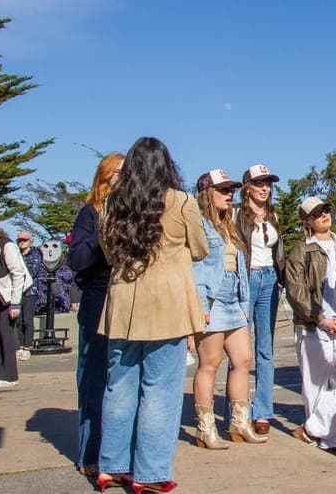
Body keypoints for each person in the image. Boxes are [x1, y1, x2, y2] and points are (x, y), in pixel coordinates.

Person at [96, 137, 208, 494]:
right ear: (167, 166)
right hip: (168, 304)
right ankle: (151, 472)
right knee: (160, 390)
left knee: (119, 386)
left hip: (124, 303)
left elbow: (110, 255)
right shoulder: (182, 201)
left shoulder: (114, 202)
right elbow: (201, 249)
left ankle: (112, 467)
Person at [191, 169, 267, 449]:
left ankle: (239, 422)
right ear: (206, 193)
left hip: (234, 297)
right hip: (212, 298)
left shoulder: (228, 224)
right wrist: (200, 304)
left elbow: (239, 267)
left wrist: (244, 302)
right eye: (222, 190)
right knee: (210, 363)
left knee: (244, 359)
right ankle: (205, 428)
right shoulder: (198, 224)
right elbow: (194, 266)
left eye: (230, 190)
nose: (228, 194)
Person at [284, 196, 336, 453]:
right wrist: (320, 319)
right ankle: (330, 439)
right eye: (317, 213)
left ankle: (312, 429)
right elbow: (295, 290)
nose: (324, 215)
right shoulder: (301, 250)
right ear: (307, 221)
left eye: (326, 210)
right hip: (312, 325)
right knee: (316, 386)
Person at [68, 151, 124, 477]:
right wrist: (102, 233)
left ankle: (117, 454)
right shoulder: (90, 212)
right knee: (93, 377)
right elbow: (76, 259)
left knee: (121, 378)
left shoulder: (132, 213)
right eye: (120, 172)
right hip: (98, 293)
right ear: (105, 177)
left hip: (126, 294)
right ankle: (90, 452)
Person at [233, 164, 285, 435]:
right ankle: (238, 411)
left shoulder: (273, 215)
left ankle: (262, 411)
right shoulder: (235, 214)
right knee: (241, 351)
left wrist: (282, 276)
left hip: (269, 281)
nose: (265, 188)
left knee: (266, 349)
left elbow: (279, 251)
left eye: (268, 184)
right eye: (259, 183)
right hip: (246, 279)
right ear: (247, 188)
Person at [0, 221, 33, 390]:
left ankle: (9, 375)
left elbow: (18, 273)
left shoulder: (6, 246)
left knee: (5, 332)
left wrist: (15, 303)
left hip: (9, 296)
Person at [15, 230, 44, 361]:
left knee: (27, 319)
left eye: (24, 240)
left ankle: (27, 346)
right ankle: (20, 345)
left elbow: (33, 271)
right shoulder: (16, 254)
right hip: (18, 291)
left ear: (30, 241)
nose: (22, 242)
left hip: (30, 291)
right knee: (19, 320)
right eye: (20, 240)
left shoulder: (36, 254)